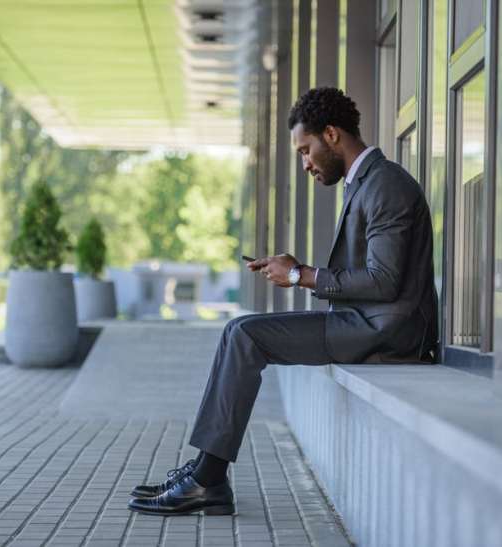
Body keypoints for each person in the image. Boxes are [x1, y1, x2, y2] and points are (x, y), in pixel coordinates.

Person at [127, 87, 439, 516]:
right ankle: (204, 469)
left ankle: (208, 480)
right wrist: (298, 271)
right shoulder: (364, 183)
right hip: (364, 322)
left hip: (387, 333)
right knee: (239, 329)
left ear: (331, 134)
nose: (306, 163)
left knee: (248, 336)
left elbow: (384, 281)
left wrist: (299, 275)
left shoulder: (385, 185)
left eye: (305, 150)